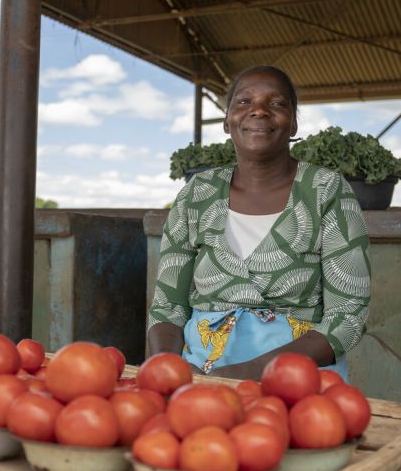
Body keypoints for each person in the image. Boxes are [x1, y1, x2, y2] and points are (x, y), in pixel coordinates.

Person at [147, 65, 371, 380]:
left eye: (276, 103)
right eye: (243, 102)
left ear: (293, 124)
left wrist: (248, 374)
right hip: (198, 377)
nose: (259, 111)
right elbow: (167, 306)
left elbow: (347, 317)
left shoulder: (326, 191)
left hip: (297, 381)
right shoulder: (197, 194)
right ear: (227, 121)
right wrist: (169, 372)